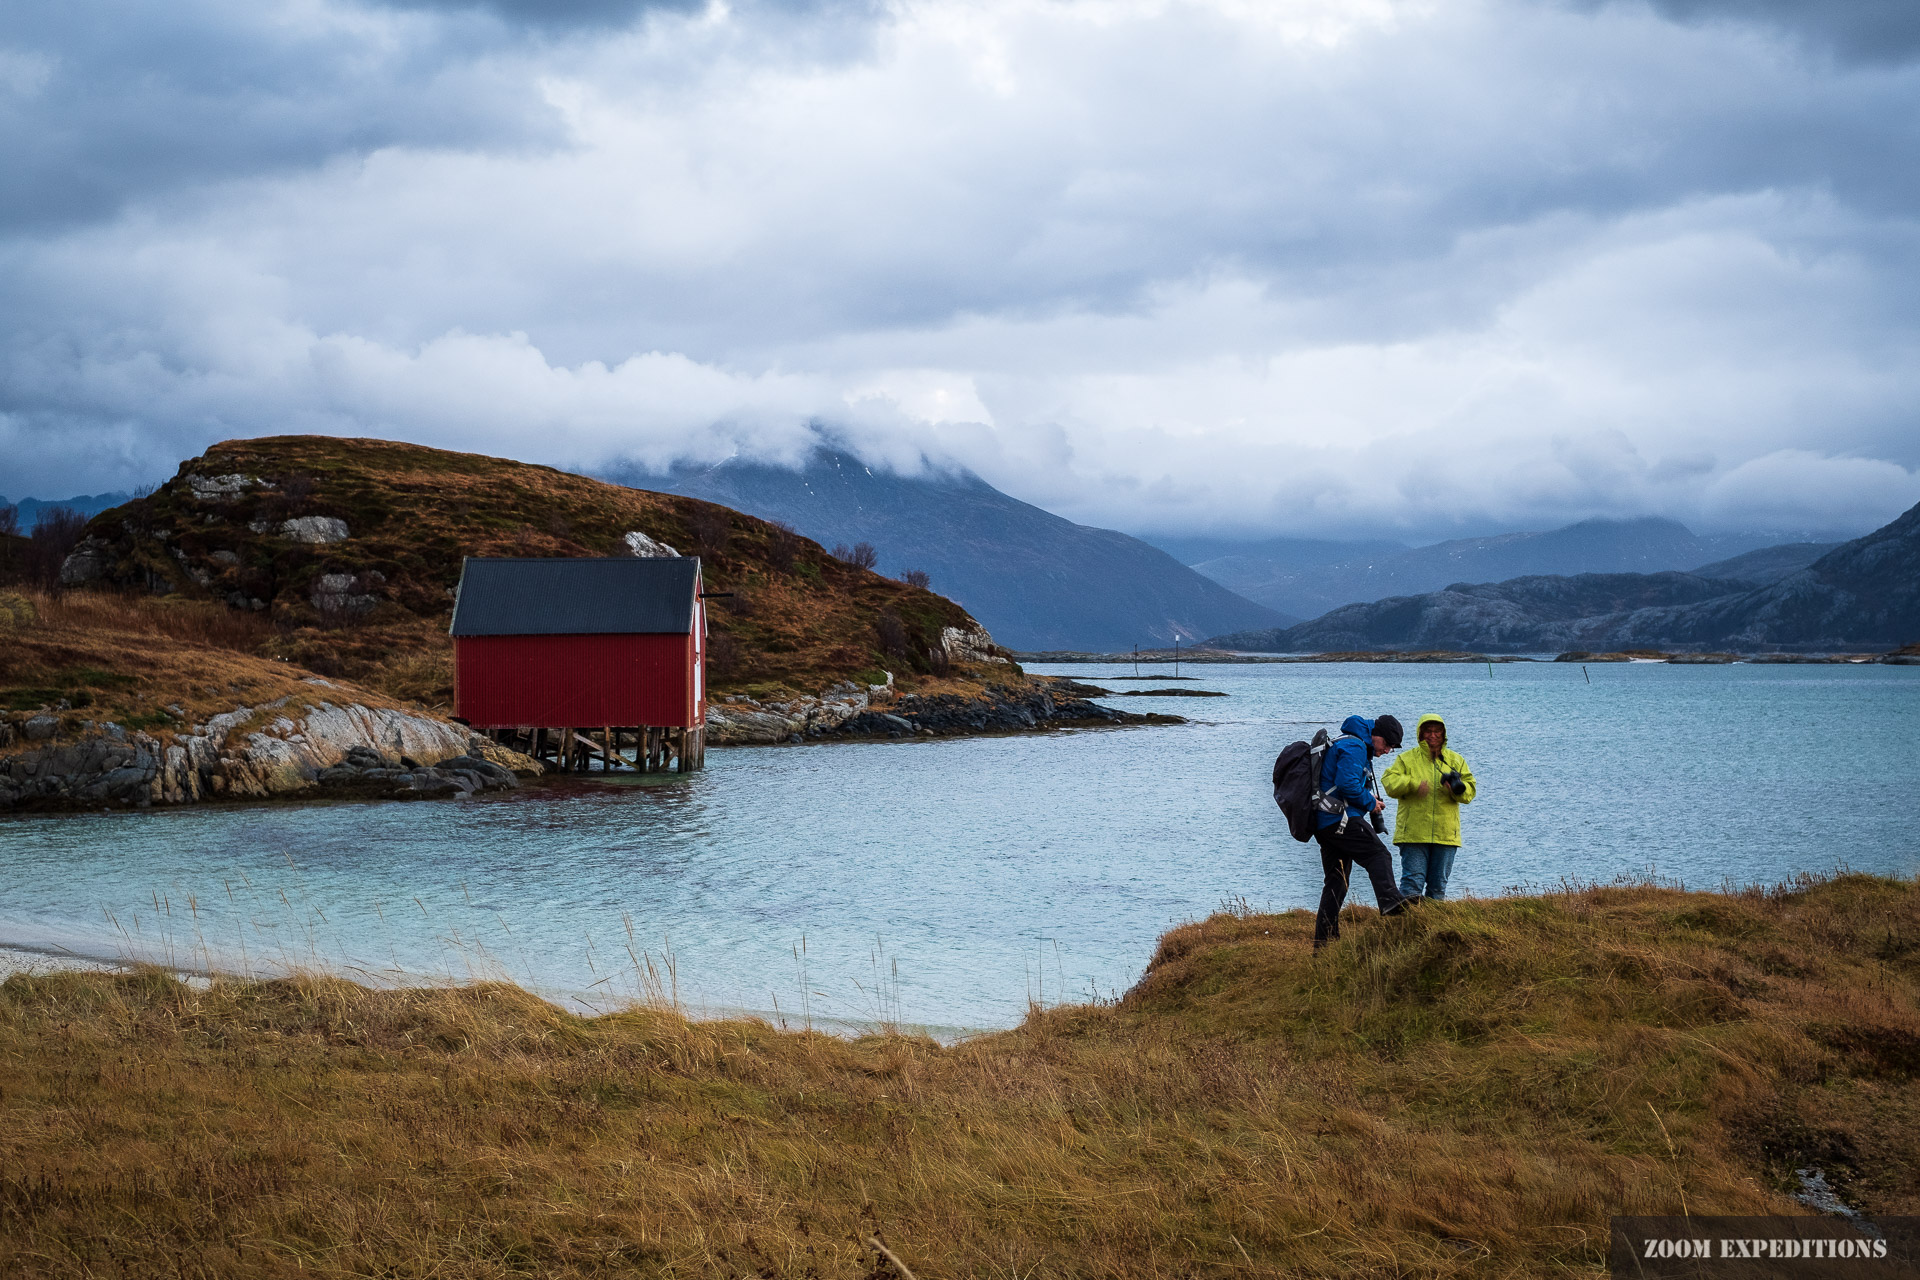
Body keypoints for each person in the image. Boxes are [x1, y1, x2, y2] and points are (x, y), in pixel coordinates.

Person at [1312, 714, 1412, 950]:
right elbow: (1346, 784)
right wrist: (1370, 802)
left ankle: (1324, 945)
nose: (1387, 751)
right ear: (1376, 736)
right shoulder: (1356, 745)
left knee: (1337, 882)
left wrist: (1368, 798)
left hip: (1325, 822)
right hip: (1340, 820)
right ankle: (1390, 902)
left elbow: (1345, 783)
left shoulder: (1349, 741)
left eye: (1392, 748)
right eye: (1387, 745)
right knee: (1379, 855)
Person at [1381, 712, 1477, 900]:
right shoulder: (1406, 759)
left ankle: (1434, 929)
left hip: (1445, 834)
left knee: (1438, 888)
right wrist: (1414, 784)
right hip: (1413, 834)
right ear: (1420, 734)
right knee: (1411, 886)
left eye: (1437, 732)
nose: (1432, 735)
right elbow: (1389, 783)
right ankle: (1407, 927)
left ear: (1444, 734)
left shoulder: (1456, 760)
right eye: (1428, 731)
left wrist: (1456, 790)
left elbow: (1470, 793)